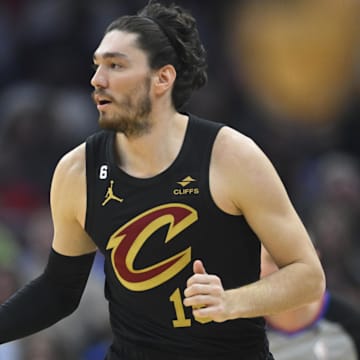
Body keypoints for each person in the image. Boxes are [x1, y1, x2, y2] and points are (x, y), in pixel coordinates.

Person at [0, 1, 325, 359]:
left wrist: (231, 302)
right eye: (98, 66)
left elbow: (308, 277)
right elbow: (59, 291)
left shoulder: (231, 156)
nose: (97, 80)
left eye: (116, 66)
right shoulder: (78, 171)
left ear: (162, 79)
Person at [261, 246, 360, 360]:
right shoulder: (243, 329)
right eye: (271, 260)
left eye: (293, 260)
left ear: (316, 261)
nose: (283, 271)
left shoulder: (351, 327)